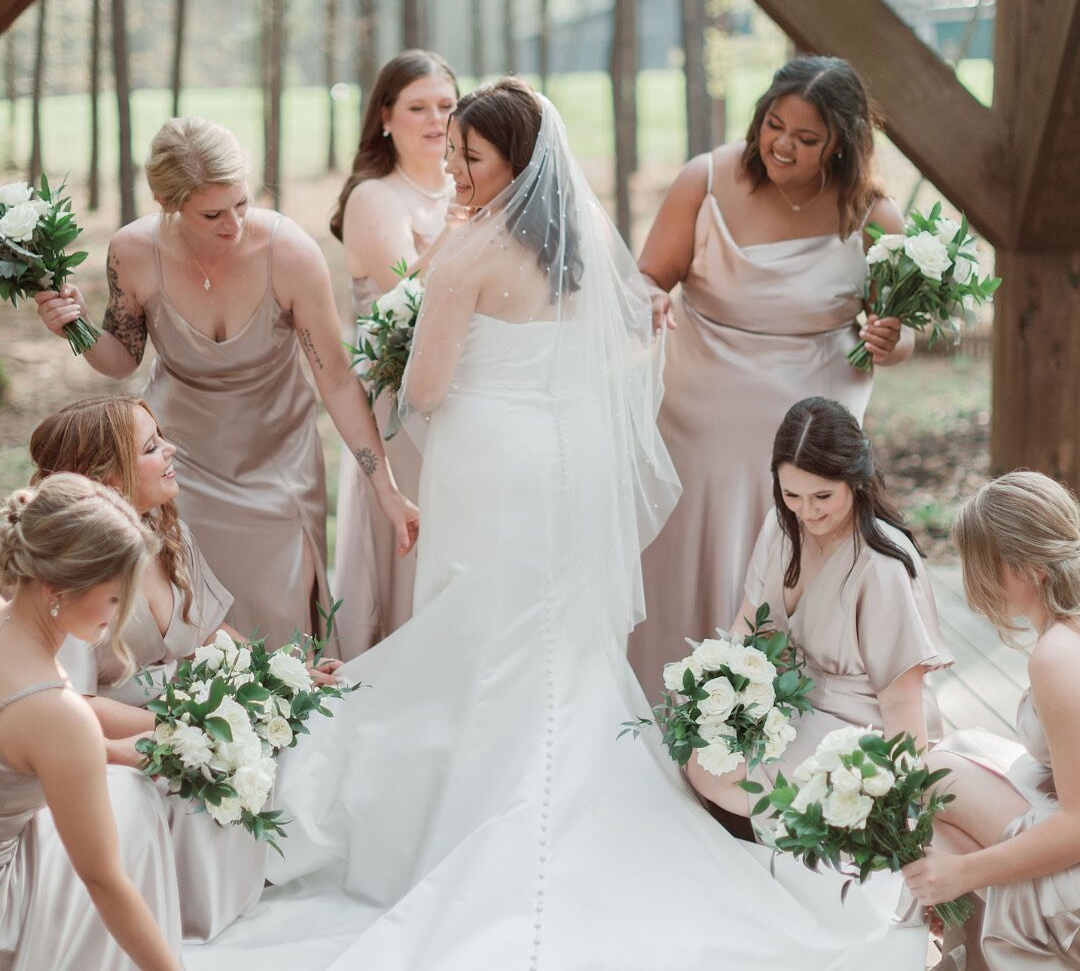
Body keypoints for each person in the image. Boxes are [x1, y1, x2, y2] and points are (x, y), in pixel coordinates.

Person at [182, 82, 928, 971]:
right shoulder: (574, 248)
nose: (454, 169)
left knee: (489, 629)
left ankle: (476, 800)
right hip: (564, 461)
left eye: (472, 157)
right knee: (561, 638)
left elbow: (423, 392)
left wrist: (416, 335)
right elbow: (602, 354)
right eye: (452, 151)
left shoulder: (464, 257)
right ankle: (573, 789)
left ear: (514, 165)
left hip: (493, 462)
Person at [34, 116, 418, 648]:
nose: (233, 224)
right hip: (179, 462)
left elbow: (335, 381)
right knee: (198, 624)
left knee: (281, 619)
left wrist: (386, 488)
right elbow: (122, 359)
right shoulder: (132, 251)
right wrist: (72, 328)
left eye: (241, 203)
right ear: (167, 203)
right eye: (212, 213)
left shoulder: (289, 252)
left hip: (279, 462)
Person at [631, 55, 914, 694]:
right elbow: (650, 276)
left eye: (807, 138)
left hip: (814, 424)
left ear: (842, 142)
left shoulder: (870, 211)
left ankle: (783, 708)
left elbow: (906, 337)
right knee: (699, 545)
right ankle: (679, 695)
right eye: (774, 125)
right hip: (702, 413)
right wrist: (647, 297)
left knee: (798, 537)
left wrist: (893, 339)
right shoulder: (704, 180)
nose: (783, 145)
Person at [29, 394, 339, 941]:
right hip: (116, 741)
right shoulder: (76, 572)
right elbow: (70, 705)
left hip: (194, 713)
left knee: (314, 731)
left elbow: (210, 632)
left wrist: (278, 673)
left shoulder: (166, 532)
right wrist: (183, 731)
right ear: (110, 476)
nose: (170, 449)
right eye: (151, 447)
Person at [685, 396, 952, 815]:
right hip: (789, 705)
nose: (807, 511)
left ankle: (835, 834)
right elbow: (746, 625)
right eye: (792, 494)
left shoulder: (881, 566)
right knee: (697, 756)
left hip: (862, 723)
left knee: (715, 774)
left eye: (822, 496)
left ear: (855, 480)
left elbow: (902, 702)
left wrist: (903, 798)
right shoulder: (780, 527)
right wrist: (718, 696)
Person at [0, 472, 182, 971]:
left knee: (124, 798)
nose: (120, 614)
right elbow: (103, 882)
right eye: (116, 596)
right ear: (58, 587)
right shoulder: (57, 713)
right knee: (126, 829)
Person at [901, 471, 1080, 969]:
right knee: (964, 749)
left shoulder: (1060, 657)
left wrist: (962, 874)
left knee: (937, 779)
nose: (971, 580)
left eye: (979, 564)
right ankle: (965, 936)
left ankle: (968, 939)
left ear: (1026, 567)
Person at [329, 51, 457, 657]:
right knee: (417, 541)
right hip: (397, 402)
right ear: (385, 116)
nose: (437, 120)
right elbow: (409, 298)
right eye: (418, 107)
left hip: (465, 393)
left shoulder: (470, 186)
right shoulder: (373, 198)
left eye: (447, 106)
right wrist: (461, 229)